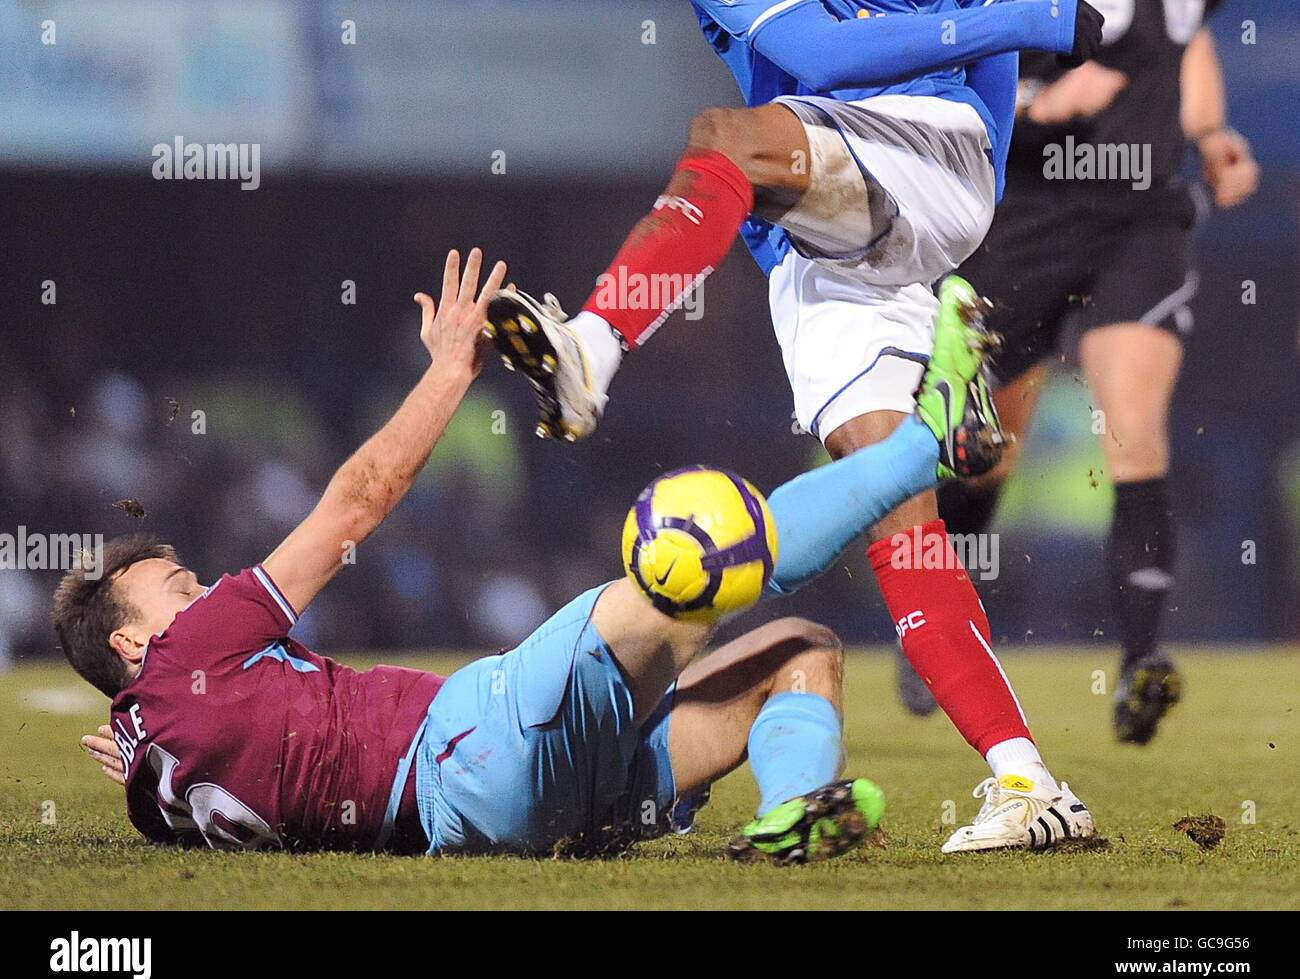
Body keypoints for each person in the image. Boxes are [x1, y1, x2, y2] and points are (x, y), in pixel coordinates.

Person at [486, 0, 1103, 836]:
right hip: (820, 228)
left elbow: (987, 63)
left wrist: (982, 187)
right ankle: (1027, 783)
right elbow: (816, 56)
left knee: (726, 135)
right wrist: (1037, 20)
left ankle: (591, 348)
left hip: (934, 153)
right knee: (891, 514)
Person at [63, 253, 1092, 858]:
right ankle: (933, 438)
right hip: (472, 740)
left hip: (518, 818)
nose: (197, 584)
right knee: (702, 558)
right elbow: (354, 505)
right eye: (175, 584)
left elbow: (166, 764)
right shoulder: (192, 653)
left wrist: (134, 735)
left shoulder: (157, 793)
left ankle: (792, 814)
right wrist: (451, 369)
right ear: (131, 633)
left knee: (798, 649)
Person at [936, 0, 1259, 744]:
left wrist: (1209, 135)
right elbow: (950, 63)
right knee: (982, 455)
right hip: (1024, 218)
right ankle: (946, 632)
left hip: (1141, 217)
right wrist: (1038, 99)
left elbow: (1188, 39)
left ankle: (1142, 660)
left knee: (1135, 424)